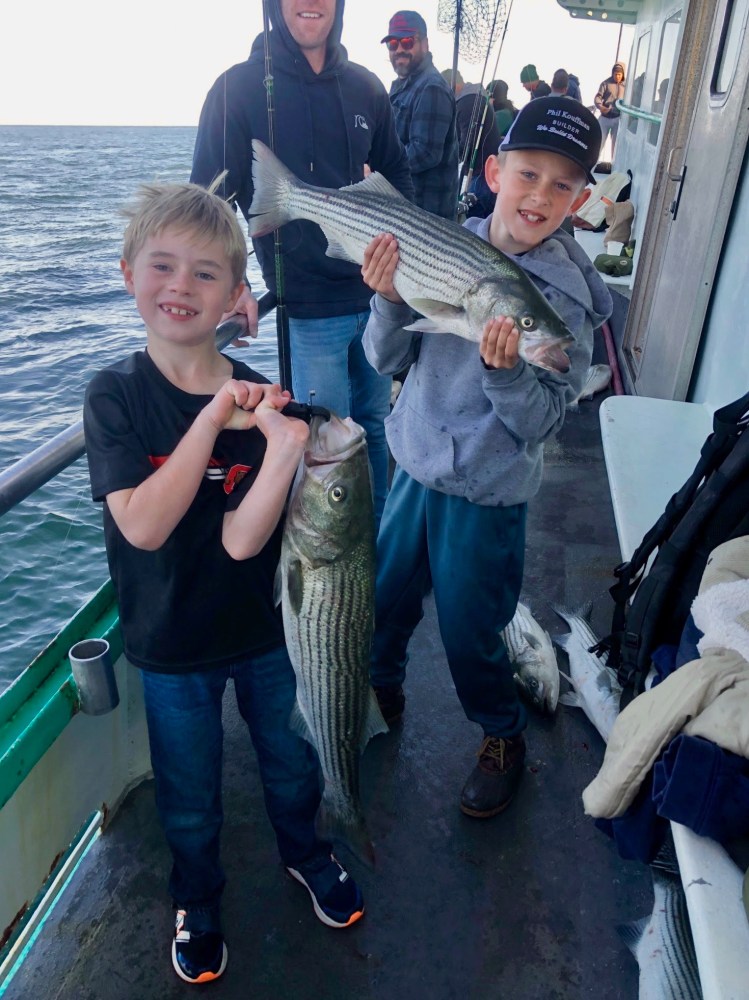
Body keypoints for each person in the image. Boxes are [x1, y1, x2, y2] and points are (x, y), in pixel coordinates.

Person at [83, 181, 365, 986]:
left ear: (237, 296)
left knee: (291, 760)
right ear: (128, 272)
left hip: (264, 635)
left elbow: (245, 540)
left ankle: (308, 852)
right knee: (189, 791)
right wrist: (212, 418)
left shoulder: (259, 395)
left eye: (205, 274)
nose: (181, 287)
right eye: (163, 266)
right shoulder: (114, 395)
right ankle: (197, 898)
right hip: (169, 644)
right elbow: (142, 524)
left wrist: (282, 448)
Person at [360, 97, 612, 820]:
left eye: (561, 185)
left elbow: (539, 422)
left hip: (489, 491)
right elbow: (384, 358)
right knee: (385, 599)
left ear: (581, 200)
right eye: (527, 173)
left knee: (474, 630)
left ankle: (501, 735)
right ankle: (382, 689)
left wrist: (506, 372)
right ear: (493, 171)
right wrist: (383, 298)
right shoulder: (437, 245)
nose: (539, 195)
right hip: (413, 464)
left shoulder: (568, 310)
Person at [190, 0, 414, 526]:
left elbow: (399, 180)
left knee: (376, 428)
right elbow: (209, 200)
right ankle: (329, 574)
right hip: (307, 310)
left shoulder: (366, 87)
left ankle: (373, 551)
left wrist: (408, 264)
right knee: (322, 445)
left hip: (378, 301)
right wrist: (233, 281)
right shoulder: (236, 88)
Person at [383, 9, 459, 220]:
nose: (399, 49)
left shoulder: (431, 87)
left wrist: (378, 167)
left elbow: (424, 153)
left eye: (407, 42)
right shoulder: (403, 86)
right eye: (392, 43)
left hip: (424, 223)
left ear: (424, 44)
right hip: (404, 214)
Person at [453, 73, 502, 218]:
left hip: (480, 174)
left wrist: (448, 156)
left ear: (453, 85)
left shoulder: (466, 102)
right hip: (486, 171)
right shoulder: (476, 97)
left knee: (476, 220)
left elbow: (468, 142)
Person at [594, 62, 626, 158]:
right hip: (604, 118)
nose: (617, 76)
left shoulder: (627, 86)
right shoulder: (605, 84)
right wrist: (600, 107)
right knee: (598, 144)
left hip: (618, 119)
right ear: (612, 74)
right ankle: (593, 165)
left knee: (616, 147)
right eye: (615, 74)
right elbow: (598, 97)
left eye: (619, 74)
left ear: (622, 75)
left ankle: (614, 167)